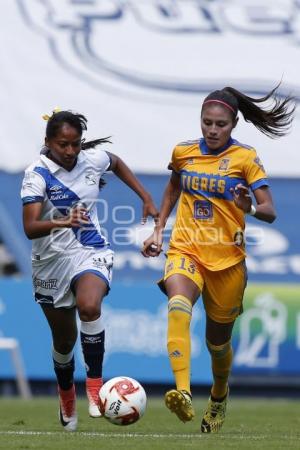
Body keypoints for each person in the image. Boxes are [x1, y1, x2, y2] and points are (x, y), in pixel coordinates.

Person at [142, 85, 295, 433]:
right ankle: (182, 391)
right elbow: (173, 187)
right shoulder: (183, 152)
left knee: (217, 344)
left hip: (227, 262)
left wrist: (250, 208)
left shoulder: (245, 158)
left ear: (234, 124)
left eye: (220, 124)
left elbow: (270, 210)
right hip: (187, 247)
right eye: (207, 122)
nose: (212, 130)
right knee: (178, 304)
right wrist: (158, 229)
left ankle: (219, 394)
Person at [21, 109, 158, 432]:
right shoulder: (36, 174)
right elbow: (29, 228)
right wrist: (64, 220)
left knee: (90, 305)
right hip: (50, 261)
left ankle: (95, 385)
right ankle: (66, 393)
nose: (70, 152)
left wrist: (146, 197)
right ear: (48, 142)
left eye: (75, 144)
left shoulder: (91, 159)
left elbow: (117, 162)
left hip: (89, 249)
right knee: (64, 343)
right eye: (62, 144)